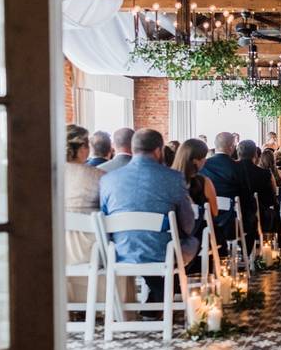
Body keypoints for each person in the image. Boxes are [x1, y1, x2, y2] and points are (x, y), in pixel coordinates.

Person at [99, 129, 199, 308]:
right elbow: (188, 225)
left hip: (120, 252)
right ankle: (163, 290)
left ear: (132, 148)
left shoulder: (108, 179)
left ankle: (157, 291)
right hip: (162, 253)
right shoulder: (173, 178)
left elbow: (104, 217)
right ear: (159, 150)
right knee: (191, 241)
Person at [65, 125, 106, 304]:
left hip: (57, 248)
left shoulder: (48, 174)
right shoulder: (99, 176)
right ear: (82, 148)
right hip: (89, 251)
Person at [199, 132, 254, 246]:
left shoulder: (204, 165)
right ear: (231, 147)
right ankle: (247, 254)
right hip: (233, 221)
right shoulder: (239, 167)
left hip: (208, 220)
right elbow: (247, 194)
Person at [171, 139, 218, 239]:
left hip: (171, 237)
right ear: (195, 161)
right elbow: (214, 212)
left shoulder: (167, 179)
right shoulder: (204, 182)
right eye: (204, 158)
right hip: (198, 236)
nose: (205, 161)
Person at [238, 139, 276, 244]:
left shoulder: (231, 171)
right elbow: (271, 200)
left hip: (233, 219)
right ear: (255, 154)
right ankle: (277, 244)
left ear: (238, 153)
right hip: (258, 217)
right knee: (274, 213)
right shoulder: (264, 174)